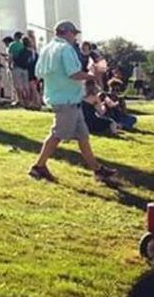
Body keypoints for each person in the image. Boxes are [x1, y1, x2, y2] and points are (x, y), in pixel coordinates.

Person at [28, 20, 117, 183]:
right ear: (66, 32)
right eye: (73, 33)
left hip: (60, 97)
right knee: (57, 135)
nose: (75, 37)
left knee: (83, 136)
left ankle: (97, 170)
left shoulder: (47, 49)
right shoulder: (65, 49)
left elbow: (39, 72)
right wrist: (93, 75)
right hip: (67, 99)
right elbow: (74, 74)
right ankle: (38, 166)